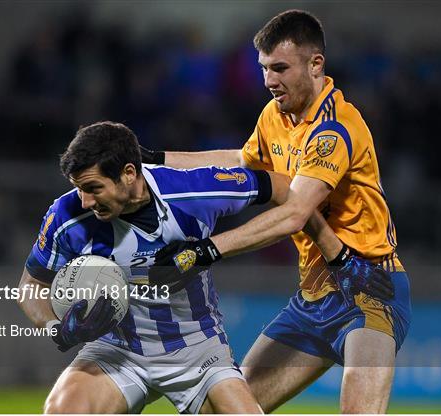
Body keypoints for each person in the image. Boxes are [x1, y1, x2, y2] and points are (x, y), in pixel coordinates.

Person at [145, 10, 411, 414]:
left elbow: (294, 213)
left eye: (281, 68)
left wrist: (202, 251)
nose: (270, 81)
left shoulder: (335, 129)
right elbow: (239, 160)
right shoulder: (276, 115)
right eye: (265, 68)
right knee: (221, 410)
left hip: (371, 290)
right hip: (314, 298)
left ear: (316, 63)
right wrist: (157, 160)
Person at [19, 120, 361, 414]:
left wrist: (333, 250)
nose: (86, 202)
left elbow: (287, 190)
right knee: (63, 410)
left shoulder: (192, 191)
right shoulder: (65, 216)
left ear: (128, 173)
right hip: (118, 349)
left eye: (93, 188)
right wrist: (57, 328)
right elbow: (30, 287)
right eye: (79, 189)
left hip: (196, 349)